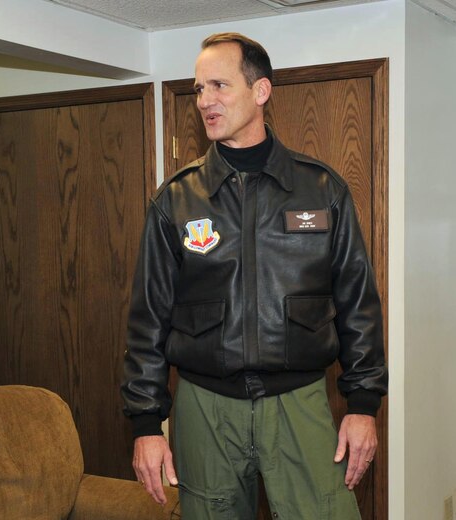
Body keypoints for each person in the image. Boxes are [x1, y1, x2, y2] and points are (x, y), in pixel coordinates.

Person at [121, 32, 387, 519]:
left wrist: (363, 405)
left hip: (300, 402)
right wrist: (145, 424)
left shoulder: (322, 189)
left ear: (260, 90)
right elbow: (148, 321)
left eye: (219, 86)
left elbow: (358, 306)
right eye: (199, 89)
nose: (205, 101)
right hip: (205, 408)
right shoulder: (176, 200)